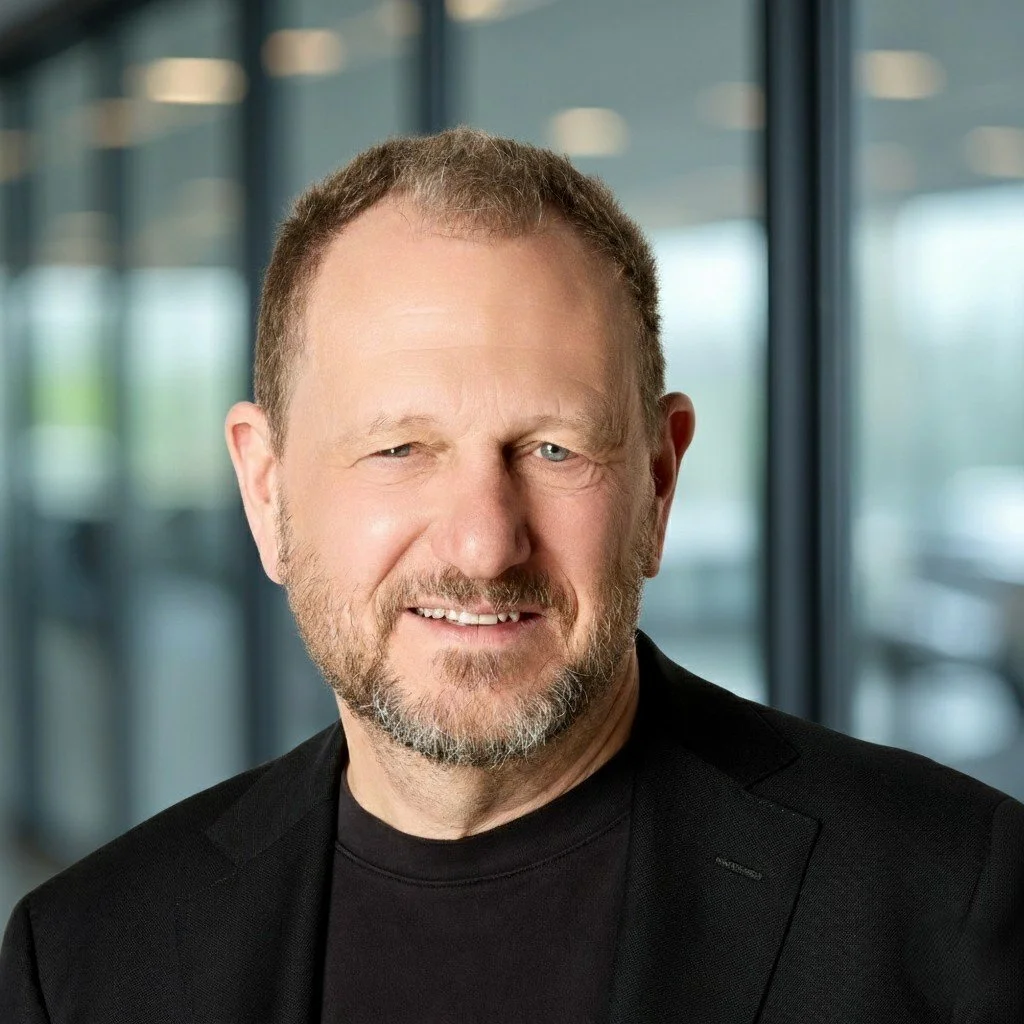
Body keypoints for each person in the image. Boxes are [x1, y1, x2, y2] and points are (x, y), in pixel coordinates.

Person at [1, 127, 1021, 1023]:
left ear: (659, 482)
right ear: (266, 491)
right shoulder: (87, 957)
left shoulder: (949, 903)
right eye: (399, 448)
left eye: (552, 450)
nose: (485, 545)